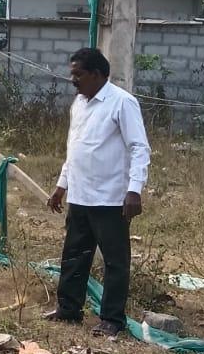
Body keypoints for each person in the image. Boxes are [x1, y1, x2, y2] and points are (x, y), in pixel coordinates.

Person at [46, 46, 150, 338]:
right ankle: (68, 309)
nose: (73, 80)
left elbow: (139, 147)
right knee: (74, 255)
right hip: (80, 195)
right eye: (72, 74)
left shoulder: (122, 103)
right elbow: (74, 147)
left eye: (78, 74)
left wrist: (134, 190)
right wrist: (61, 185)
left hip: (110, 198)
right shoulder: (78, 104)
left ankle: (112, 320)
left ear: (96, 74)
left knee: (115, 261)